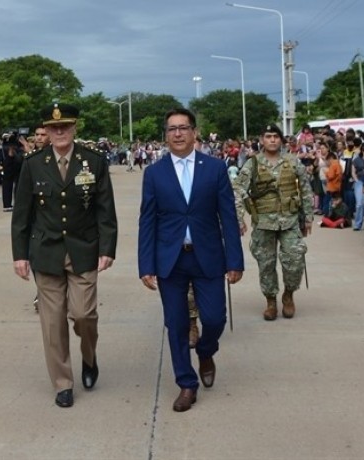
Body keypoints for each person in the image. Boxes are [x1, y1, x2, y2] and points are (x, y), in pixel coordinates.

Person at [11, 103, 118, 408]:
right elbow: (21, 215)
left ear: (74, 128)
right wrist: (20, 254)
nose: (59, 132)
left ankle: (89, 356)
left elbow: (105, 210)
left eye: (65, 127)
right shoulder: (33, 164)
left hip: (84, 249)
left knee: (84, 316)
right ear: (47, 130)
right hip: (46, 252)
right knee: (53, 322)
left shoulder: (93, 161)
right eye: (53, 128)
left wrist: (107, 248)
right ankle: (63, 383)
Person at [138, 108, 243, 412]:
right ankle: (186, 383)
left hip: (208, 257)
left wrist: (234, 260)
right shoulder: (154, 173)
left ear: (195, 132)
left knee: (213, 319)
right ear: (165, 135)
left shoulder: (214, 168)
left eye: (184, 128)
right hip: (169, 259)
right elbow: (147, 221)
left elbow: (227, 216)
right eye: (172, 129)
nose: (178, 134)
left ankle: (207, 351)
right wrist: (146, 265)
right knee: (177, 324)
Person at [233, 124, 314, 321]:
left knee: (294, 261)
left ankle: (288, 294)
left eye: (275, 136)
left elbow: (305, 189)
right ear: (262, 139)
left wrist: (308, 216)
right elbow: (237, 188)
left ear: (281, 140)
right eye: (268, 136)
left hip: (290, 221)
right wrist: (239, 216)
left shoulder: (293, 162)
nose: (272, 140)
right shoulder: (252, 164)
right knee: (266, 264)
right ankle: (270, 300)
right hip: (263, 222)